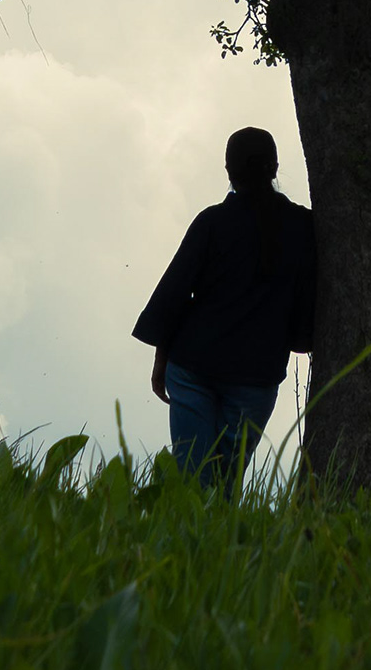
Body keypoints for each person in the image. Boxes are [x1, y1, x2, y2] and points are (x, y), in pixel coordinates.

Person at [131, 126, 317, 488]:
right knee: (225, 486)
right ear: (275, 168)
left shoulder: (212, 222)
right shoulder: (303, 227)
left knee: (192, 482)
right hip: (256, 378)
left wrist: (161, 361)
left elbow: (174, 295)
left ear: (229, 172)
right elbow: (304, 317)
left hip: (192, 368)